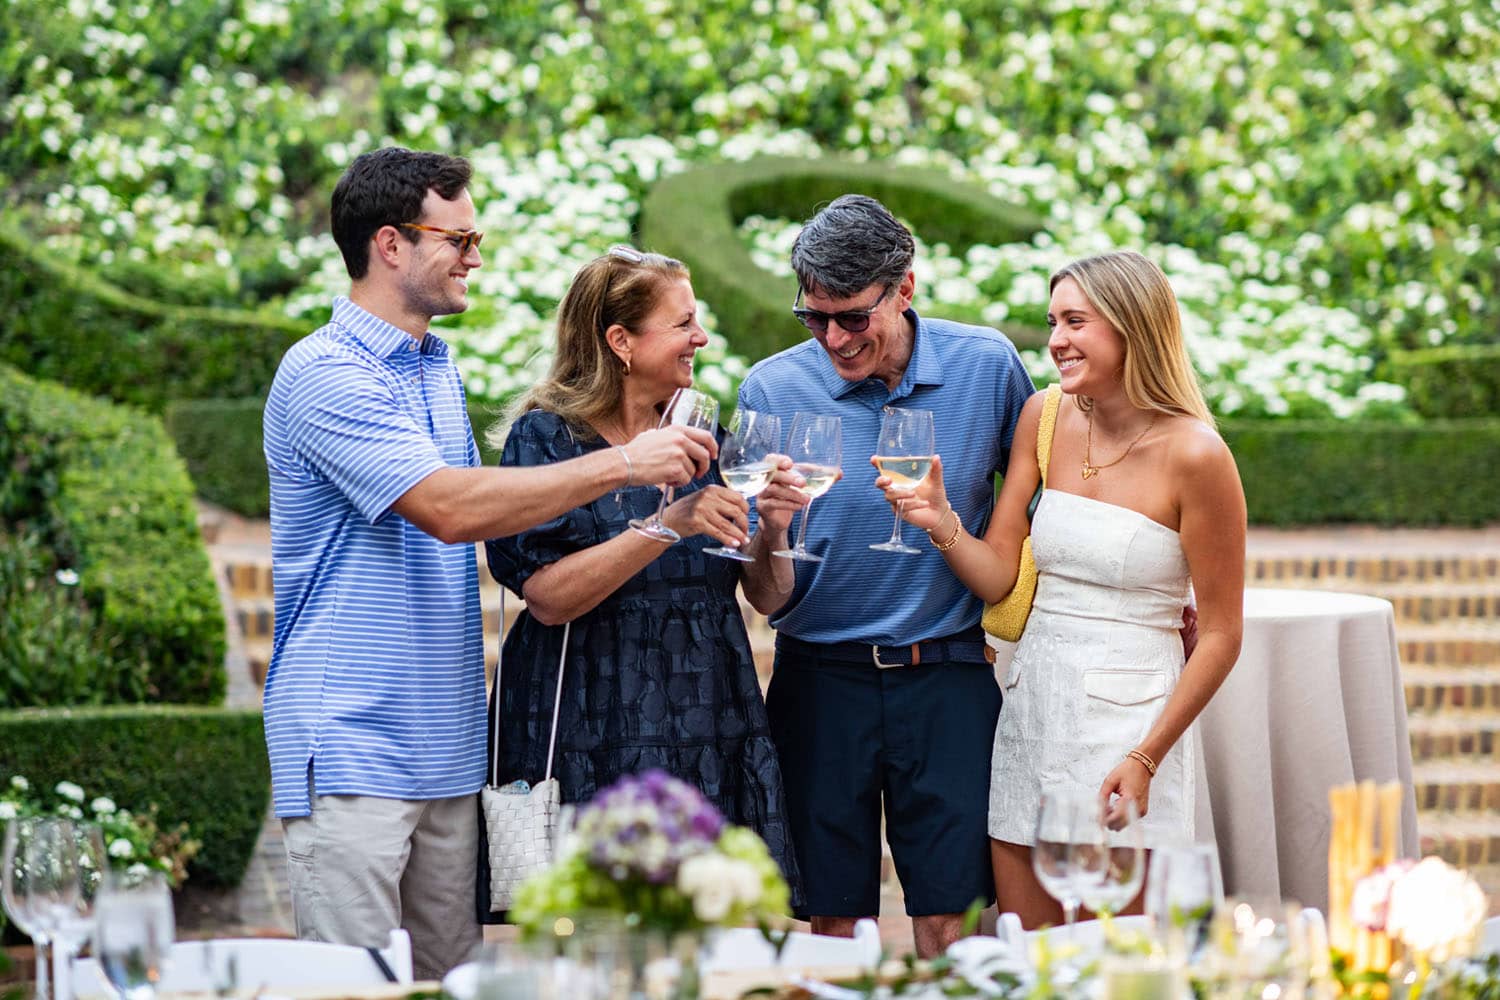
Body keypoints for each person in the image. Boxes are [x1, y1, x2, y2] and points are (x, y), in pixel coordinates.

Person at [261, 150, 715, 979]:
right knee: (353, 989)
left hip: (450, 745)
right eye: (459, 237)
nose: (477, 255)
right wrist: (626, 467)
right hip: (355, 739)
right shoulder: (324, 371)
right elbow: (448, 509)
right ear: (389, 244)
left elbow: (494, 505)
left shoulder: (438, 369)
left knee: (454, 984)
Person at [879, 250, 1246, 928]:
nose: (1054, 340)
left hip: (1130, 726)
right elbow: (1002, 577)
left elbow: (1223, 634)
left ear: (1133, 326)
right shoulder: (1044, 416)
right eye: (1052, 321)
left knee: (1112, 962)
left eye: (1075, 321)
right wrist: (942, 524)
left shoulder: (1198, 455)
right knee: (1030, 955)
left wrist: (1146, 757)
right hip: (1031, 710)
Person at [735, 194, 1035, 957]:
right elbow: (764, 594)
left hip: (948, 677)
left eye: (853, 317)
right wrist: (768, 530)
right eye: (814, 317)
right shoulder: (770, 391)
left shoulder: (988, 366)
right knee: (833, 925)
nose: (833, 338)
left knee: (954, 921)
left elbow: (1043, 509)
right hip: (818, 681)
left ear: (904, 288)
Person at [482, 245, 804, 911]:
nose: (702, 337)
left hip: (706, 716)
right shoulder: (547, 440)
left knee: (708, 931)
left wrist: (771, 529)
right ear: (621, 341)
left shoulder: (703, 431)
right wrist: (669, 525)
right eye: (683, 323)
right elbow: (546, 598)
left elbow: (769, 595)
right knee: (592, 935)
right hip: (589, 717)